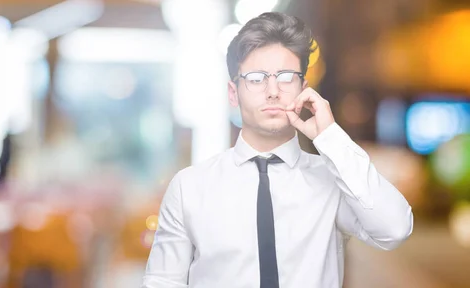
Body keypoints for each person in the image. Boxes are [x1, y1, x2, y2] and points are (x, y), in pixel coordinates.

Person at [141, 11, 413, 288]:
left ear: (304, 89)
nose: (272, 91)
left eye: (285, 77)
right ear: (233, 92)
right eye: (257, 78)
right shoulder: (190, 187)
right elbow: (163, 282)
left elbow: (394, 229)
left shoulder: (333, 181)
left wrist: (331, 139)